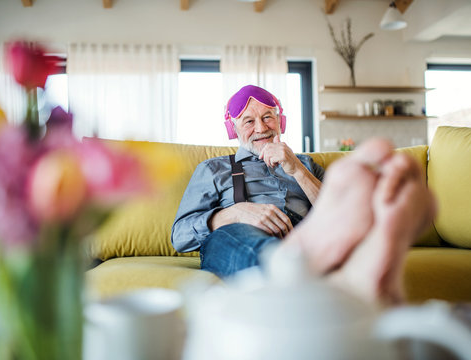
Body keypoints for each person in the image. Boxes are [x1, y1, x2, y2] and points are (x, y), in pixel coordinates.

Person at [171, 85, 436, 306]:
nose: (261, 127)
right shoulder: (213, 169)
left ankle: (306, 264)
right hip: (239, 235)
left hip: (305, 234)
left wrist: (297, 170)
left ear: (281, 122)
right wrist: (234, 213)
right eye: (248, 121)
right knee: (233, 236)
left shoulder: (306, 165)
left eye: (268, 117)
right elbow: (179, 236)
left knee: (331, 226)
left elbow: (337, 213)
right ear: (234, 130)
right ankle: (313, 268)